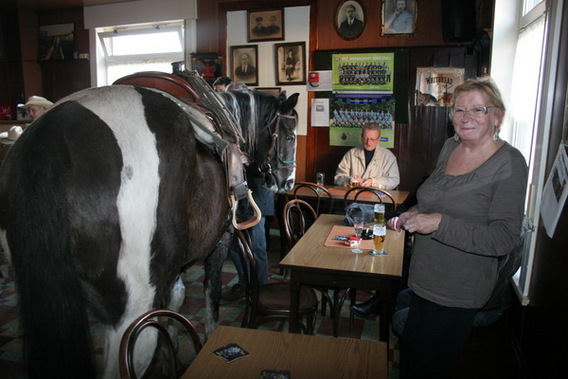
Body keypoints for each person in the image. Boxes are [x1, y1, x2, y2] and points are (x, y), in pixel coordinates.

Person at [393, 77, 528, 378]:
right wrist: (413, 214)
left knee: (426, 369)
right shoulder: (450, 147)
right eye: (459, 110)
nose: (466, 117)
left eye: (478, 109)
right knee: (409, 358)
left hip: (458, 290)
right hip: (424, 279)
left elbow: (504, 238)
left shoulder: (509, 164)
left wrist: (439, 224)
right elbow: (435, 200)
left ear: (497, 116)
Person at [221, 160, 274, 301]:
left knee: (257, 246)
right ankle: (245, 284)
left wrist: (250, 162)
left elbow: (271, 166)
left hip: (258, 196)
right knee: (235, 246)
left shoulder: (269, 140)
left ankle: (261, 288)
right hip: (236, 196)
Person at [334, 123, 400, 189]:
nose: (368, 142)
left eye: (372, 139)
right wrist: (349, 180)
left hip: (377, 197)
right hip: (354, 196)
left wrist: (373, 181)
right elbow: (338, 178)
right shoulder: (351, 154)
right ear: (361, 137)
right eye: (365, 138)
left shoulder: (388, 156)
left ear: (379, 139)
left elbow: (394, 180)